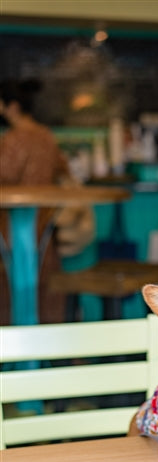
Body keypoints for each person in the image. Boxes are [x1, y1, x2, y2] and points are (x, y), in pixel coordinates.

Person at [0, 78, 94, 324]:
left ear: (11, 106)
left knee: (9, 289)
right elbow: (64, 172)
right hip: (44, 230)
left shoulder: (12, 140)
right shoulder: (46, 136)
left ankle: (14, 355)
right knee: (46, 291)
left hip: (10, 232)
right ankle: (46, 355)